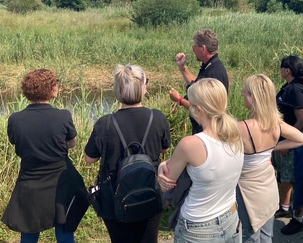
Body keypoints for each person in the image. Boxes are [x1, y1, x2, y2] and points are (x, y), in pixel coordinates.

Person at [84, 64, 171, 243]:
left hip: (114, 198)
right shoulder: (157, 117)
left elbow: (89, 158)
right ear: (143, 88)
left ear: (117, 90)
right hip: (149, 192)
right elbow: (165, 149)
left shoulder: (105, 123)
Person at [2, 69, 88, 243]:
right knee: (64, 228)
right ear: (50, 90)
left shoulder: (15, 119)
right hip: (61, 178)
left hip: (30, 178)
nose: (58, 86)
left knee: (29, 228)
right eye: (56, 83)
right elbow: (72, 143)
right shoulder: (63, 116)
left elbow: (16, 143)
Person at [158, 78, 244, 243]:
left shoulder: (190, 144)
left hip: (199, 225)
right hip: (231, 215)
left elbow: (167, 181)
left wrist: (162, 166)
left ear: (198, 110)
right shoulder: (236, 134)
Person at [237, 74, 303, 242]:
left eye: (245, 92)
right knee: (267, 235)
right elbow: (302, 139)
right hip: (267, 185)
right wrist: (273, 147)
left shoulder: (243, 128)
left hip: (248, 188)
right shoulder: (275, 123)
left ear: (252, 97)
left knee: (249, 235)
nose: (242, 94)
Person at [272, 56, 303, 235]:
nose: (280, 70)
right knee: (285, 176)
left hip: (292, 144)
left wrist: (287, 144)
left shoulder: (296, 89)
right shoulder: (288, 87)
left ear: (287, 70)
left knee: (297, 179)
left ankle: (298, 219)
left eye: (282, 67)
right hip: (283, 141)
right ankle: (285, 207)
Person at [168, 29, 229, 134]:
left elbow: (202, 109)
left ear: (203, 48)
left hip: (208, 131)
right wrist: (182, 67)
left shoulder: (213, 74)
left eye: (194, 47)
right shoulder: (211, 65)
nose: (193, 50)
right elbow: (197, 84)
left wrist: (179, 100)